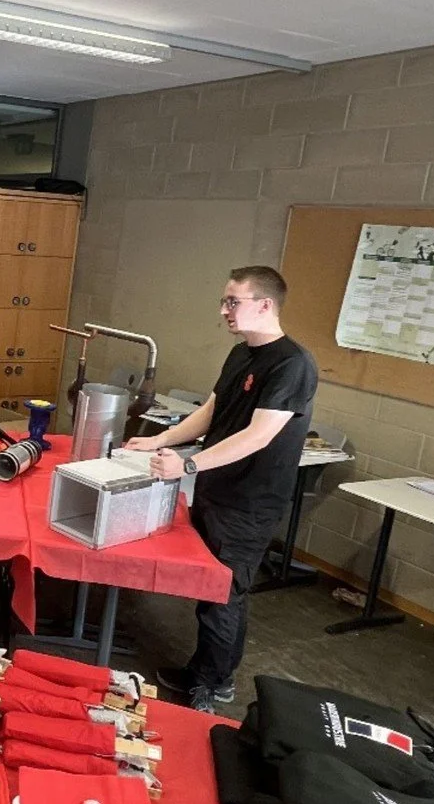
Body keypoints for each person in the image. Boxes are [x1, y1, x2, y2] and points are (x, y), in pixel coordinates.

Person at [126, 264, 317, 714]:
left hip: (250, 501)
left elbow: (258, 435)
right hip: (216, 487)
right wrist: (160, 439)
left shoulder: (292, 364)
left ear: (265, 305)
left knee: (224, 593)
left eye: (233, 302)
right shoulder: (241, 354)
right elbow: (212, 412)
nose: (224, 311)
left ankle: (213, 685)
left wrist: (187, 463)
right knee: (209, 588)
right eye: (224, 301)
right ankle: (206, 669)